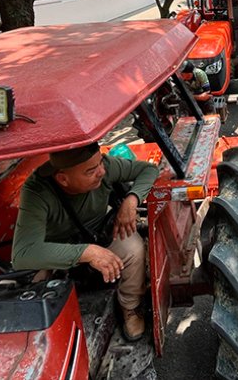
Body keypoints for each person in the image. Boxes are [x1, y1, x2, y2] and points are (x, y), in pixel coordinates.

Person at [12, 142, 158, 341]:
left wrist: (132, 200)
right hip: (57, 245)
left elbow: (149, 170)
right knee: (30, 292)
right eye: (91, 171)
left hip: (98, 232)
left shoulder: (103, 166)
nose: (101, 172)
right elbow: (23, 255)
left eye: (100, 164)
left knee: (133, 249)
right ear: (63, 178)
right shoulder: (36, 192)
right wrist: (87, 253)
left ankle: (130, 308)